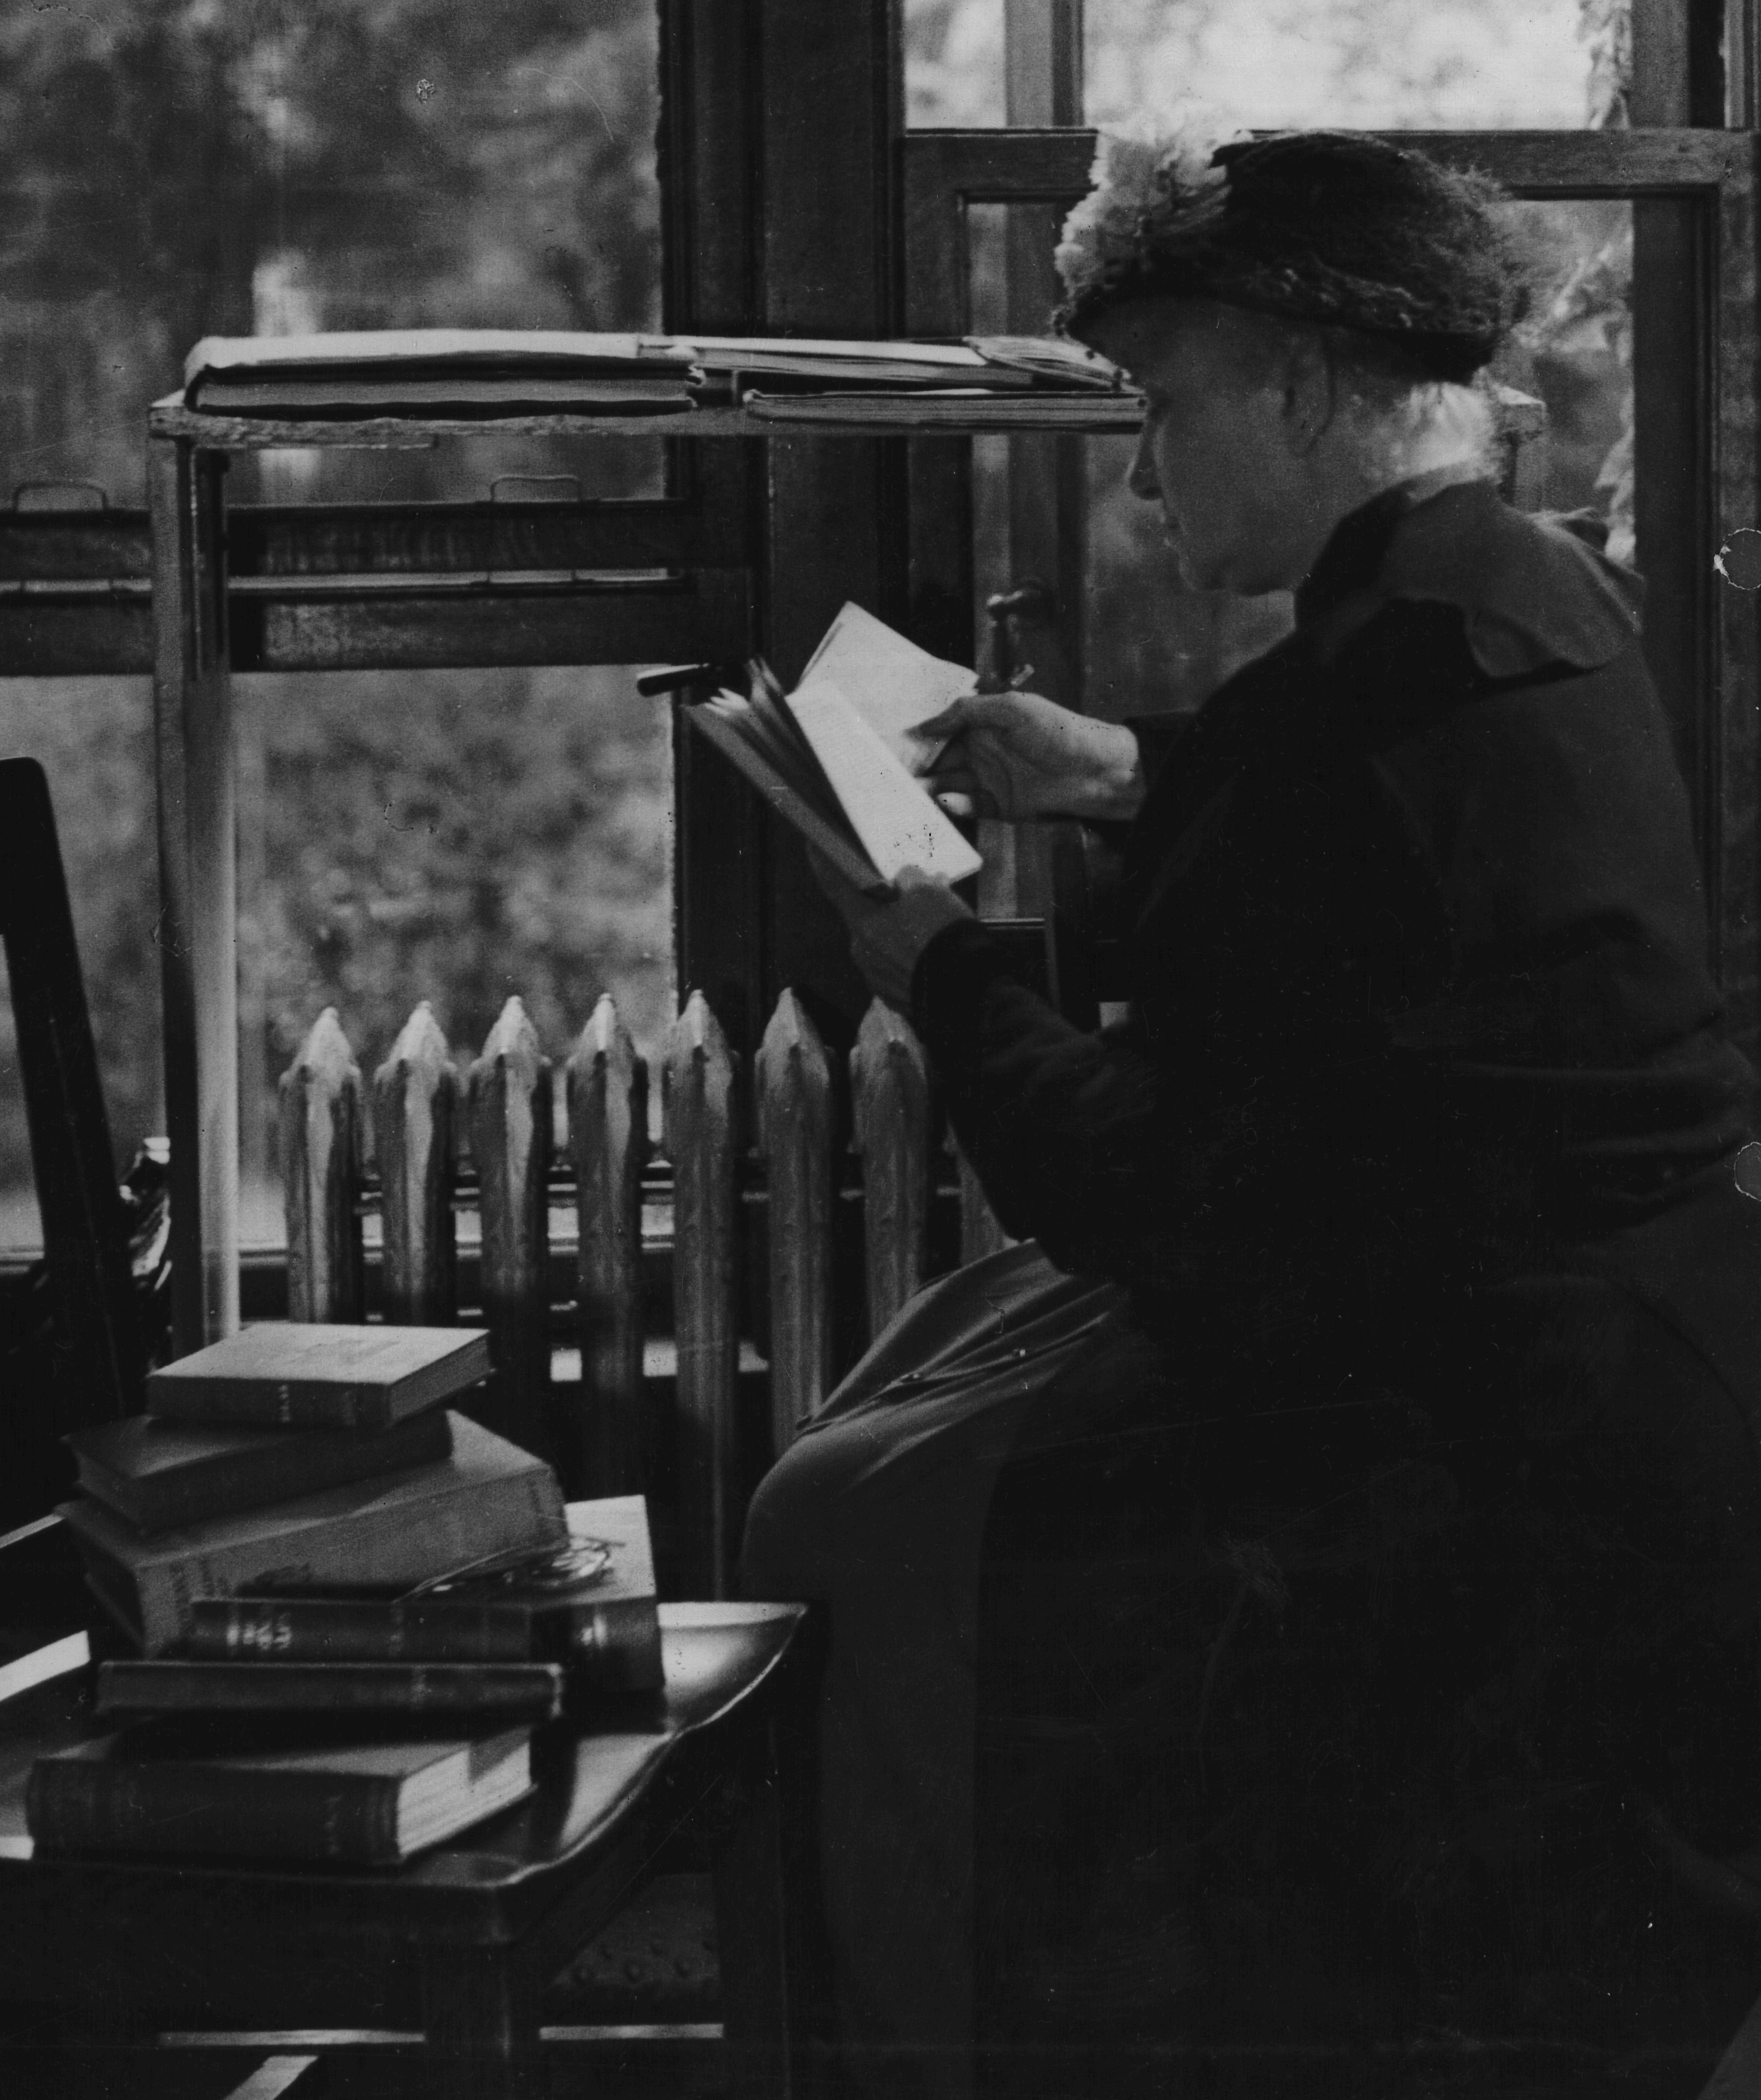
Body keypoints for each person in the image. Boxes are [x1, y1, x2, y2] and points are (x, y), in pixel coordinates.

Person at [740, 131, 1761, 2100]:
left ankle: (915, 2052)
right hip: (1649, 1321)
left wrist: (938, 969)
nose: (1142, 477)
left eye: (1163, 406)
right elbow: (1363, 839)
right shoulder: (1527, 590)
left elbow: (1145, 1191)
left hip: (1478, 1394)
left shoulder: (1355, 692)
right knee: (924, 1373)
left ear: (1296, 384)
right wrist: (1116, 771)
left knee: (848, 1510)